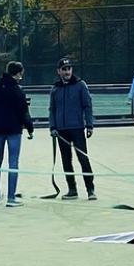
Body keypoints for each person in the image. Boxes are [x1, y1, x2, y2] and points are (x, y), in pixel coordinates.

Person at [0, 61, 34, 207]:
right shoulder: (17, 90)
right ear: (18, 74)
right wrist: (30, 128)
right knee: (13, 163)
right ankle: (11, 197)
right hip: (13, 130)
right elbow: (23, 112)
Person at [48, 58, 96, 200]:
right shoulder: (55, 89)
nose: (67, 71)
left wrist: (89, 124)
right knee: (66, 161)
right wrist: (52, 126)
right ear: (59, 71)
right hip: (61, 131)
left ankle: (90, 189)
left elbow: (87, 105)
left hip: (77, 128)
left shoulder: (81, 85)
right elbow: (52, 109)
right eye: (64, 69)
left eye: (69, 68)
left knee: (83, 159)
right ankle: (72, 189)